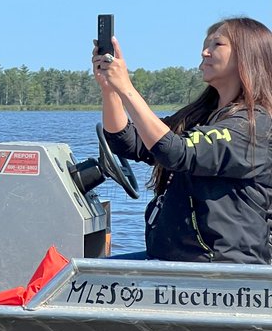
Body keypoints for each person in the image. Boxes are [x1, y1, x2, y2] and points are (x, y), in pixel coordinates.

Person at [95, 17, 272, 264]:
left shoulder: (254, 126)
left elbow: (177, 152)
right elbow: (128, 142)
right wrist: (110, 89)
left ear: (247, 56)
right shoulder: (199, 116)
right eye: (205, 44)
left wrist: (127, 88)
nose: (204, 52)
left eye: (217, 44)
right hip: (172, 260)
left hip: (222, 270)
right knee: (68, 279)